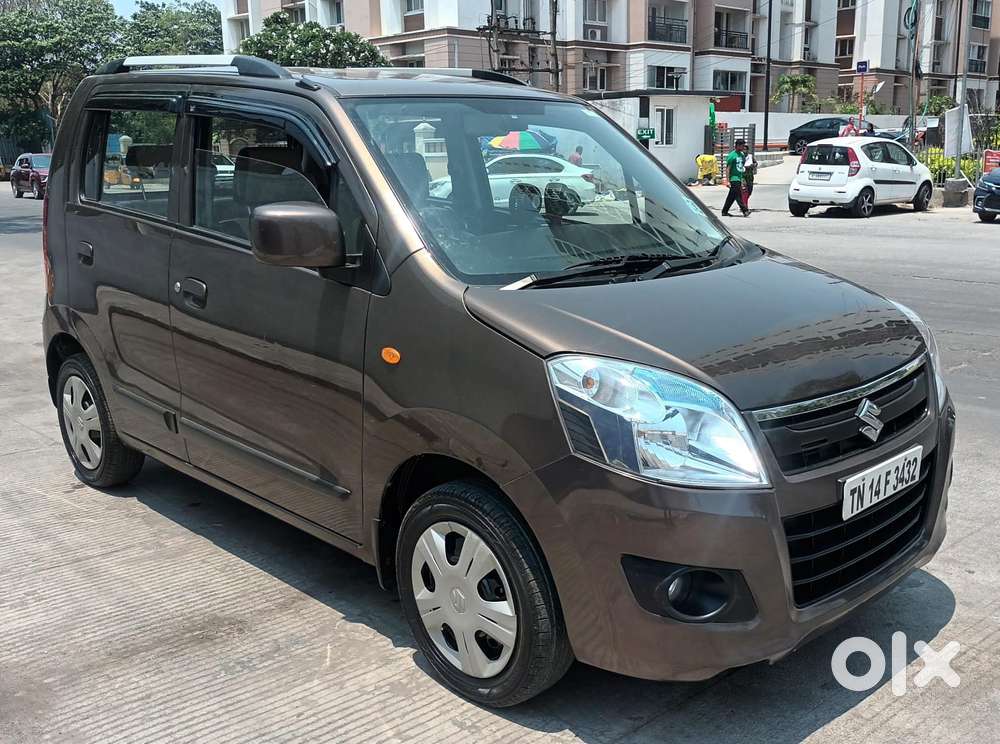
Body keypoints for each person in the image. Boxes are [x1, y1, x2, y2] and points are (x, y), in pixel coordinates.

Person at [722, 139, 750, 217]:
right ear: (737, 145)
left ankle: (724, 211)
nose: (743, 147)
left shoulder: (742, 155)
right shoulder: (732, 155)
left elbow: (742, 166)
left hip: (739, 177)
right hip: (733, 178)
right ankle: (745, 210)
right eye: (741, 146)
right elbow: (728, 168)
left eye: (743, 146)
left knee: (731, 196)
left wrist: (742, 178)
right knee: (738, 194)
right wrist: (727, 180)